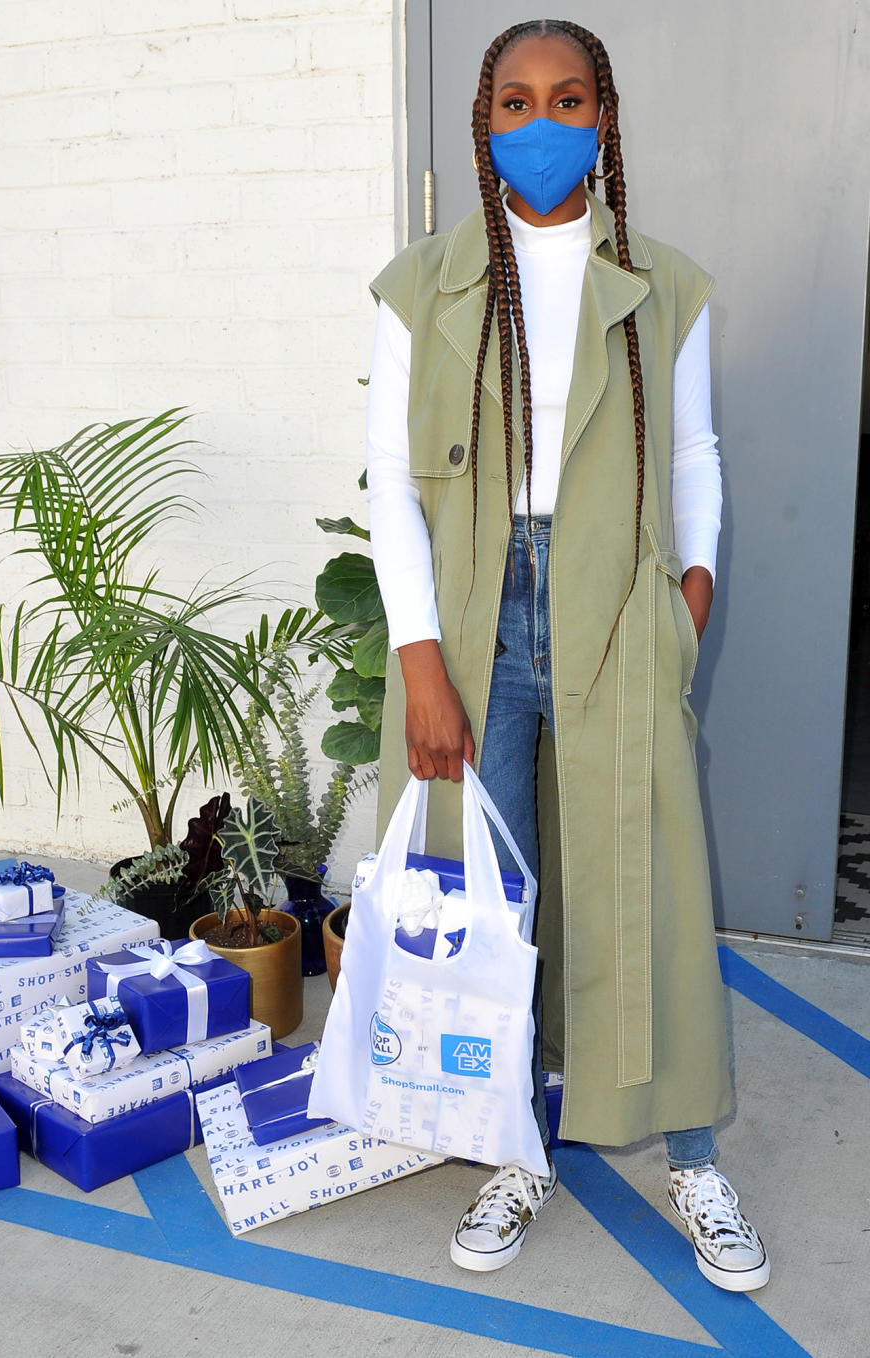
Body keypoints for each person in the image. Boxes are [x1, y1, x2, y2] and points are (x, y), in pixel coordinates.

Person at [364, 19, 769, 1292]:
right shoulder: (420, 284)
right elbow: (390, 481)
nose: (543, 125)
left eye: (570, 99)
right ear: (485, 126)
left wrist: (688, 599)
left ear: (604, 117)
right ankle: (514, 1147)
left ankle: (693, 1155)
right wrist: (422, 658)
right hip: (476, 617)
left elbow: (693, 457)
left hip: (614, 610)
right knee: (497, 900)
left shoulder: (666, 282)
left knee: (641, 887)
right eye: (517, 103)